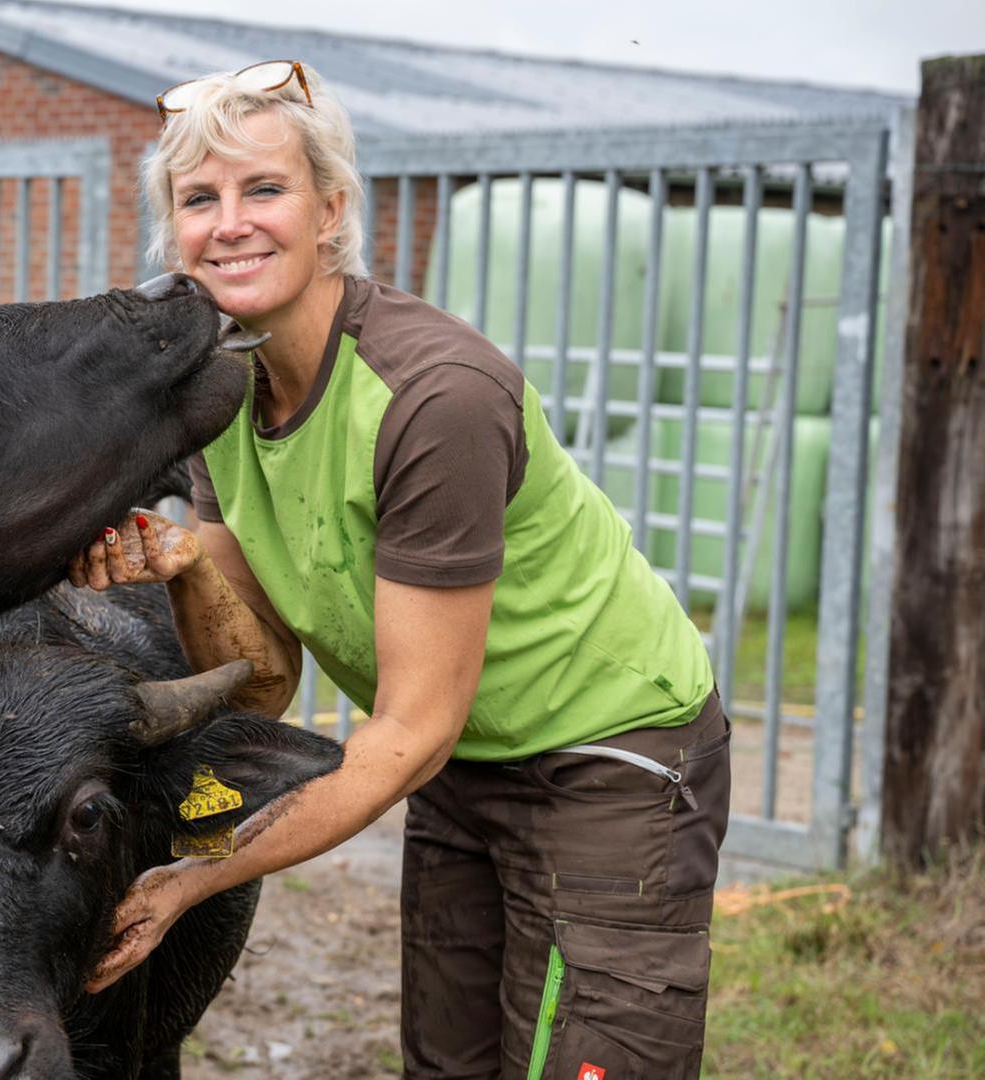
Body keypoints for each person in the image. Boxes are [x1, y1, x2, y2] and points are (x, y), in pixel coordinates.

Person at [73, 60, 731, 1078]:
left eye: (265, 189)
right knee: (452, 1063)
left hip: (609, 753)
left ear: (331, 209)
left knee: (589, 1059)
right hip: (465, 757)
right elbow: (263, 683)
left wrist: (191, 881)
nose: (230, 222)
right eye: (199, 199)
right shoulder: (223, 395)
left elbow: (409, 732)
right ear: (174, 231)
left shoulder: (437, 399)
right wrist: (189, 567)